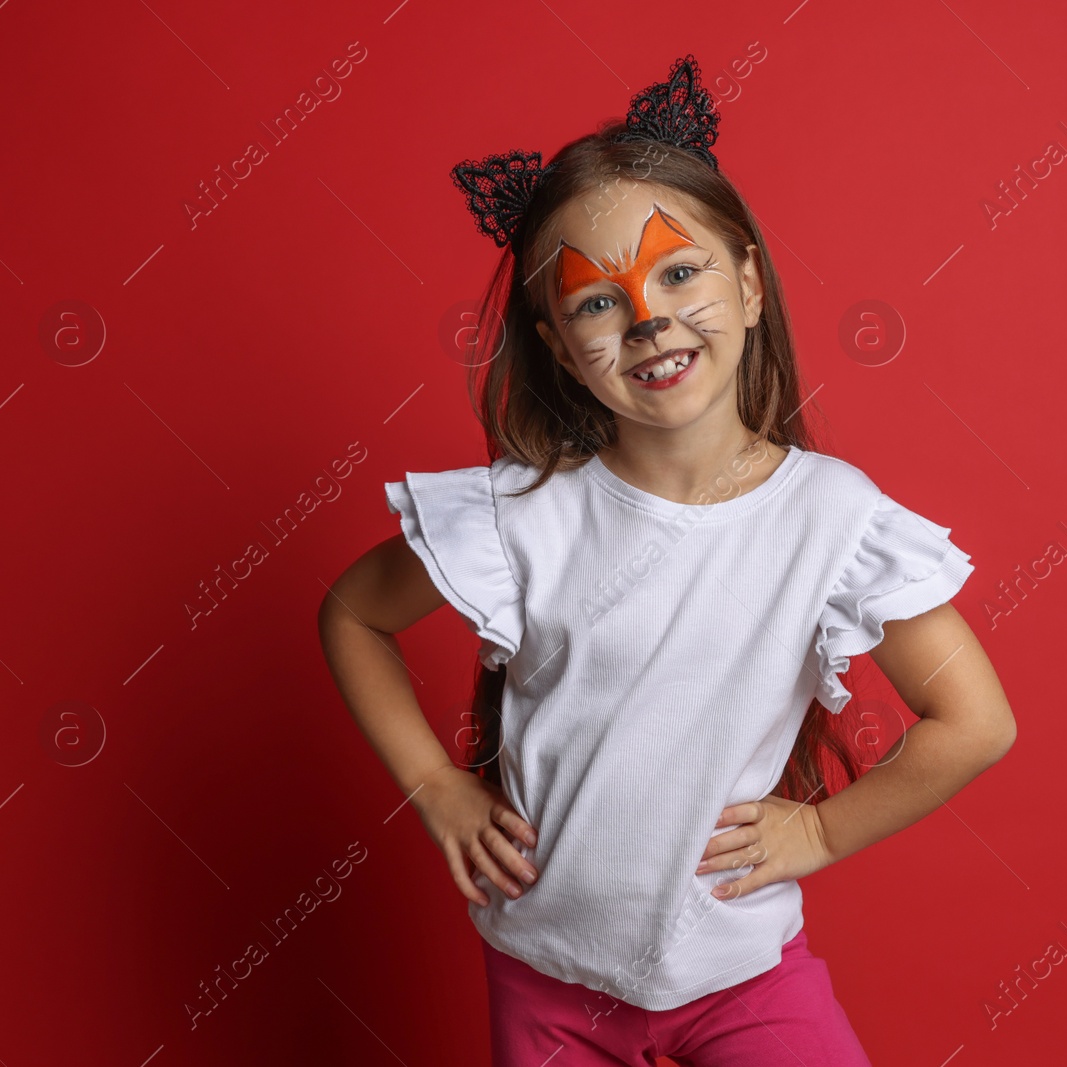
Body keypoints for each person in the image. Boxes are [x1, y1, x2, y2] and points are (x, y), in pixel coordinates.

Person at [317, 54, 1017, 1067]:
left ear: (745, 280)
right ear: (556, 344)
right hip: (545, 979)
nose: (647, 318)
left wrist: (820, 837)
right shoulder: (525, 512)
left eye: (678, 272)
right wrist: (433, 782)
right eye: (595, 302)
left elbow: (976, 722)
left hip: (742, 976)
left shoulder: (831, 517)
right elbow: (354, 613)